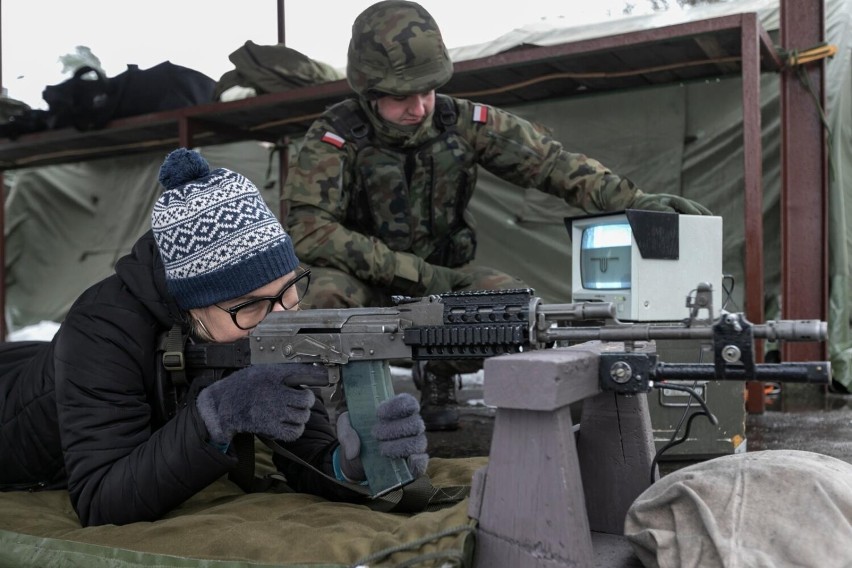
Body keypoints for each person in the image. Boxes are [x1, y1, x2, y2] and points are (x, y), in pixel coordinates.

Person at [282, 0, 713, 432]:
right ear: (369, 91)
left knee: (513, 309)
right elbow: (309, 230)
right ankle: (338, 413)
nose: (419, 107)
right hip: (366, 286)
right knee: (322, 299)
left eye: (428, 91)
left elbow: (552, 165)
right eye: (400, 97)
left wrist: (635, 200)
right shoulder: (334, 137)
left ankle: (439, 370)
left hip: (445, 280)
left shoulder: (463, 122)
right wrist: (420, 277)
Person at [0, 148, 428, 527]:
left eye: (290, 289)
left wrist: (348, 464)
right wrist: (217, 415)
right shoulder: (101, 331)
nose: (279, 317)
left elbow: (305, 448)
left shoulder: (262, 314)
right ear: (191, 306)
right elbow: (101, 501)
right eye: (251, 305)